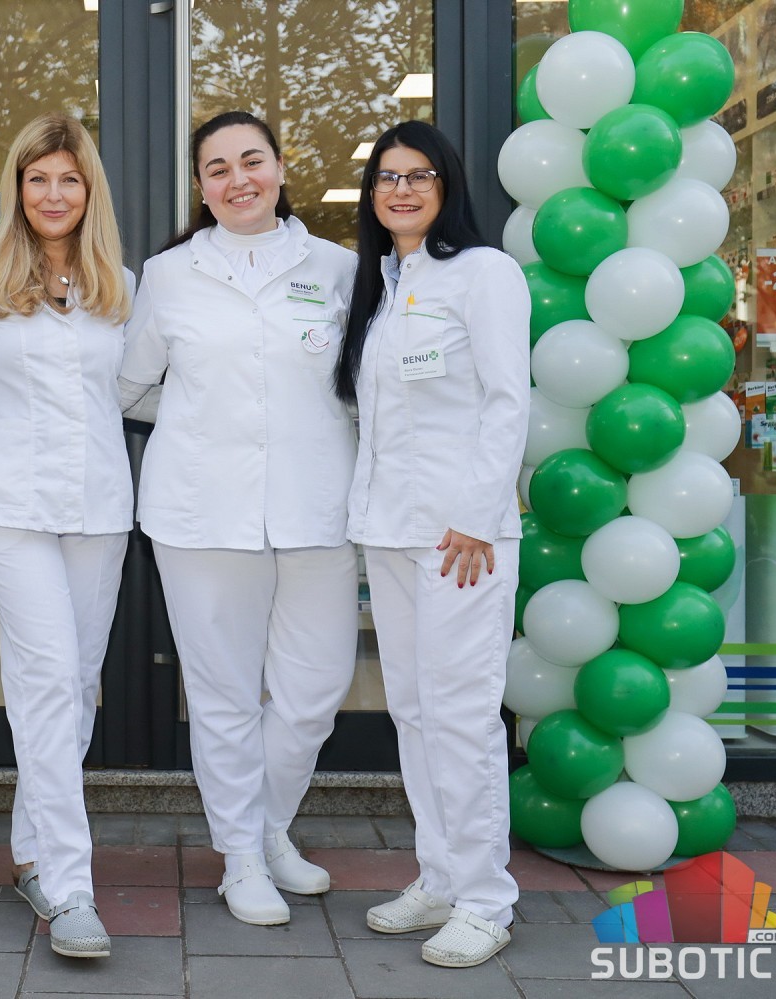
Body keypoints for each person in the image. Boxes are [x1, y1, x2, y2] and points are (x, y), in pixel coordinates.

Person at [119, 110, 360, 927]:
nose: (237, 180)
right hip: (202, 513)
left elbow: (365, 388)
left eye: (251, 161)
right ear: (200, 186)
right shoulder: (168, 274)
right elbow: (129, 386)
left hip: (318, 507)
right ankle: (243, 856)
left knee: (314, 690)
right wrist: (202, 421)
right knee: (222, 694)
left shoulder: (338, 268)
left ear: (282, 168)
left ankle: (269, 825)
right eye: (217, 168)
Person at [0, 113, 134, 959]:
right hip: (6, 505)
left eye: (69, 179)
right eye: (38, 178)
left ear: (90, 191)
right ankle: (72, 884)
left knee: (73, 683)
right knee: (51, 675)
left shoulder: (119, 285)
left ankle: (30, 851)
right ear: (16, 187)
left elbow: (133, 390)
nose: (53, 194)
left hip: (98, 506)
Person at [336, 120, 529, 968]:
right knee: (414, 711)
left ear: (446, 186)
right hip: (390, 529)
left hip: (461, 538)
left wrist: (480, 514)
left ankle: (487, 898)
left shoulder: (483, 274)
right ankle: (440, 877)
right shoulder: (383, 284)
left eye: (419, 175)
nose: (402, 189)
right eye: (387, 177)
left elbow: (507, 399)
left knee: (461, 713)